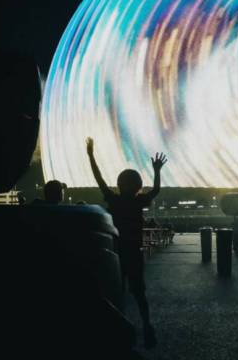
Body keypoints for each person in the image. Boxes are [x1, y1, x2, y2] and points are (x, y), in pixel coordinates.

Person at [86, 137, 166, 349]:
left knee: (115, 290)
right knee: (139, 292)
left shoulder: (114, 200)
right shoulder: (139, 201)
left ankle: (116, 330)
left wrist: (91, 155)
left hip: (117, 252)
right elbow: (156, 191)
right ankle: (147, 325)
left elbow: (99, 178)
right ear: (138, 186)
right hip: (134, 252)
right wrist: (157, 171)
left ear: (120, 184)